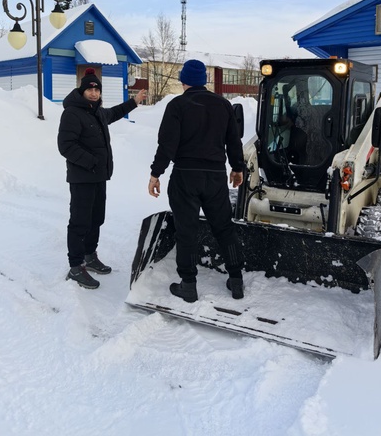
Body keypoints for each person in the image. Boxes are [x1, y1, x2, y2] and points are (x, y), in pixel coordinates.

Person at [148, 59, 245, 303]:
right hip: (215, 177)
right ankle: (236, 280)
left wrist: (155, 173)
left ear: (183, 81)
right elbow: (234, 141)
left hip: (185, 176)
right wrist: (237, 168)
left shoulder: (177, 105)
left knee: (186, 230)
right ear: (204, 80)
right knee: (224, 227)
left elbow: (167, 144)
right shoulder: (223, 105)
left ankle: (188, 285)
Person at [58, 68, 146, 289]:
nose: (94, 92)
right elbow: (66, 146)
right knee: (80, 221)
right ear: (83, 90)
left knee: (96, 218)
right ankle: (76, 266)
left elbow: (114, 114)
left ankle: (90, 256)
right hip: (82, 178)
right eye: (90, 88)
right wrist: (91, 162)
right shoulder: (72, 113)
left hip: (99, 177)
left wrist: (133, 102)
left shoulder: (97, 112)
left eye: (97, 89)